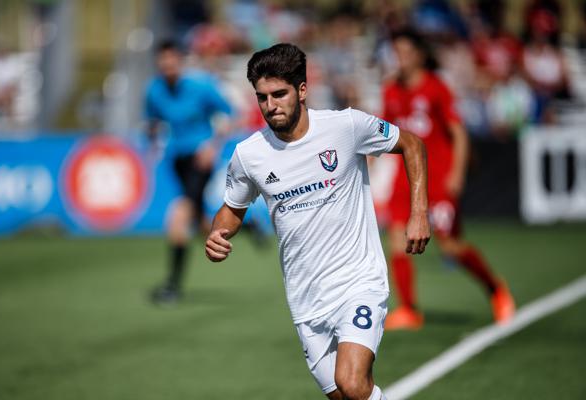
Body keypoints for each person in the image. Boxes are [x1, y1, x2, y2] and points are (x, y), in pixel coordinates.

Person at [205, 43, 430, 400]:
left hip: (358, 281)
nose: (270, 106)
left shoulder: (347, 126)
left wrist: (419, 213)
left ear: (303, 90)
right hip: (306, 300)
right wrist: (218, 233)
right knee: (346, 396)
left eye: (279, 94)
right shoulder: (249, 155)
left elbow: (413, 144)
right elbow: (233, 208)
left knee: (352, 382)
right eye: (261, 97)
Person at [381, 30, 516, 330]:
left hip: (438, 179)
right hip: (404, 179)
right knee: (395, 241)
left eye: (404, 52)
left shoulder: (436, 87)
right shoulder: (390, 90)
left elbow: (458, 132)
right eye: (396, 52)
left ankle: (495, 288)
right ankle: (408, 309)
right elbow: (384, 133)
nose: (399, 58)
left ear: (418, 55)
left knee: (450, 247)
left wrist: (456, 172)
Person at [144, 39, 233, 304]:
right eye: (163, 61)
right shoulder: (154, 91)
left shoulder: (201, 85)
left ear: (180, 60)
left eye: (172, 59)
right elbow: (152, 122)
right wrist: (152, 140)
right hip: (177, 161)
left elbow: (228, 114)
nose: (167, 65)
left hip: (200, 160)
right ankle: (247, 225)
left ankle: (172, 286)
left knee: (179, 215)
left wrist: (213, 146)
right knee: (197, 218)